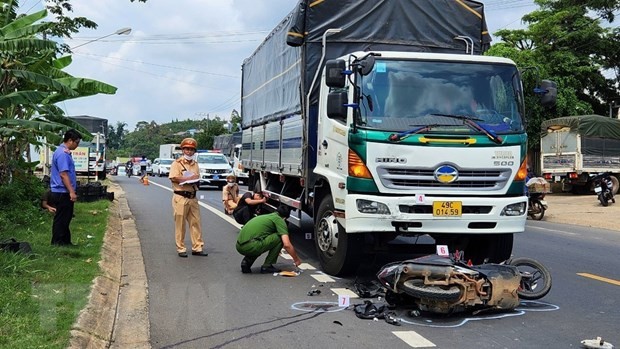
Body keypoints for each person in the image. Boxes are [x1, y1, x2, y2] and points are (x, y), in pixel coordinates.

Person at [168, 137, 208, 258]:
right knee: (180, 224)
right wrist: (186, 179)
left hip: (193, 196)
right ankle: (181, 248)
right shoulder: (177, 163)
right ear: (182, 150)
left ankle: (197, 247)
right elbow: (173, 177)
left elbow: (196, 176)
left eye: (191, 149)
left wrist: (195, 180)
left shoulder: (195, 164)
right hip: (181, 196)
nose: (189, 152)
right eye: (186, 149)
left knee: (196, 223)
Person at [236, 205, 302, 274]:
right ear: (285, 218)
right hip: (252, 246)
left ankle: (247, 261)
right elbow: (287, 244)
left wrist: (275, 248)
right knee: (279, 237)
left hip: (239, 246)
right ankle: (267, 266)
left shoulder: (266, 217)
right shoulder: (279, 220)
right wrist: (296, 259)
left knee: (259, 241)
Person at [49, 129, 82, 246]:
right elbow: (63, 174)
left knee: (66, 217)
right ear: (70, 140)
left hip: (63, 191)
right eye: (76, 143)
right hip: (62, 191)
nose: (77, 145)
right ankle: (57, 242)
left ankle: (65, 241)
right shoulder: (62, 154)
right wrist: (71, 191)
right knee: (62, 218)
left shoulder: (64, 152)